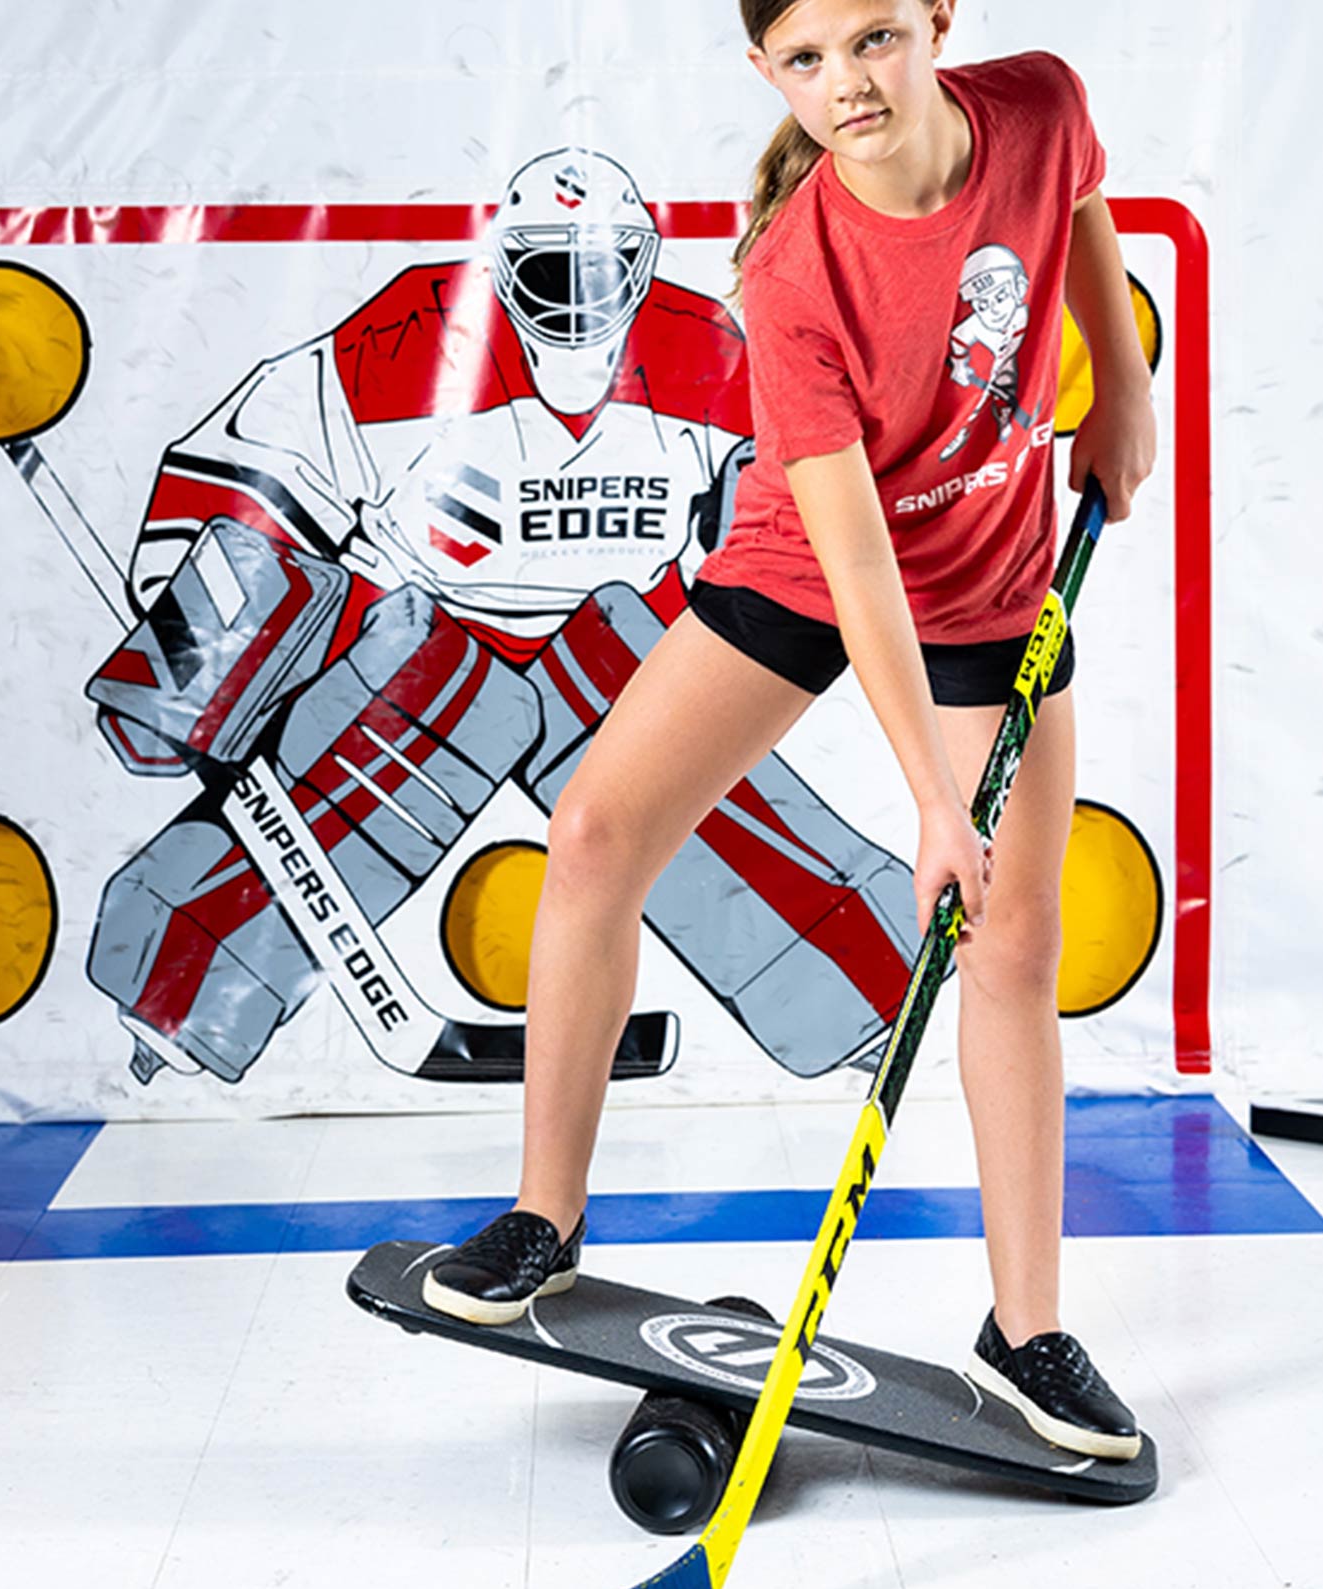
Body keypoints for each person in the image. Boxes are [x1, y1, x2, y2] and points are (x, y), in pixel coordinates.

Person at [422, 0, 1158, 1463]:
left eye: (877, 39)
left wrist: (1116, 381)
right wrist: (929, 805)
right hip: (814, 564)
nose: (849, 86)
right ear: (765, 73)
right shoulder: (793, 272)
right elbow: (857, 561)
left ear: (938, 18)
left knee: (1010, 939)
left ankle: (1025, 1330)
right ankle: (541, 1220)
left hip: (994, 576)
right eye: (806, 62)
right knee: (594, 831)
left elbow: (1078, 199)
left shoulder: (1038, 102)